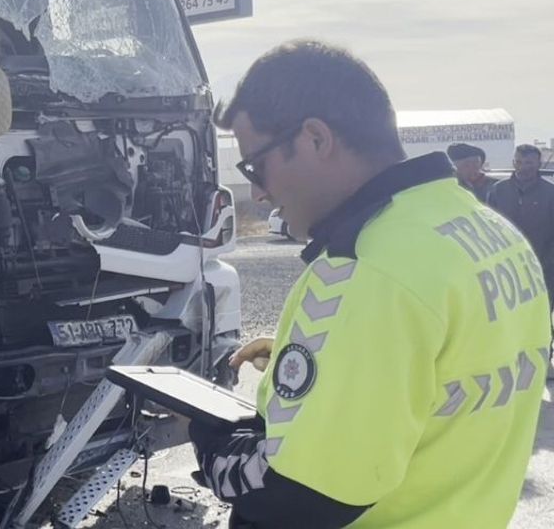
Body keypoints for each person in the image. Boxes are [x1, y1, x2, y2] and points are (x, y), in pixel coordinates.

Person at [191, 40, 549, 529]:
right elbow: (452, 371)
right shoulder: (488, 231)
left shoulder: (365, 271)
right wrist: (328, 353)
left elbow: (303, 496)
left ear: (316, 139)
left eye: (256, 165)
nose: (257, 190)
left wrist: (211, 442)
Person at [489, 144, 554, 295]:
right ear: (513, 163)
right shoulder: (498, 190)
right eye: (519, 162)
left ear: (538, 163)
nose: (523, 167)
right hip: (507, 267)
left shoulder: (550, 192)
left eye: (529, 163)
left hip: (543, 266)